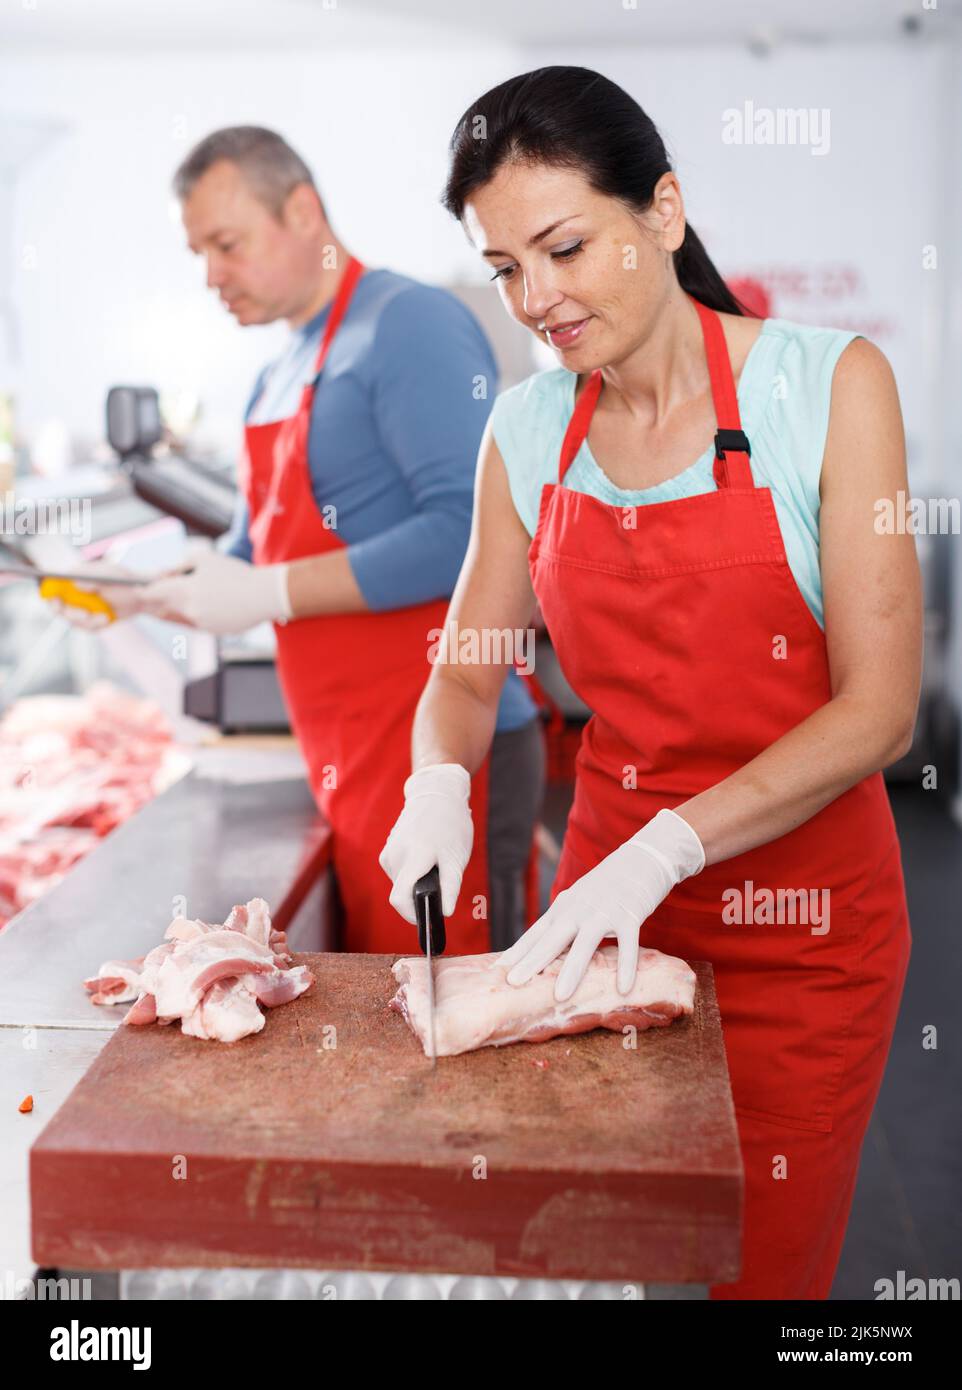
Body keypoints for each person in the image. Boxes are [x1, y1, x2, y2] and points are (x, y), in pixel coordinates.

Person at [379, 67, 920, 1299]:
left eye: (563, 248)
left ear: (662, 212)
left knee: (758, 1270)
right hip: (597, 923)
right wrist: (434, 783)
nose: (537, 299)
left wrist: (670, 846)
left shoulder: (826, 388)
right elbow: (467, 676)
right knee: (599, 1257)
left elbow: (878, 709)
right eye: (507, 266)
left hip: (804, 935)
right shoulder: (525, 431)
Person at [65, 126, 543, 954]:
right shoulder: (270, 374)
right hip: (353, 763)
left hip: (448, 755)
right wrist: (144, 592)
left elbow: (465, 532)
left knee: (468, 1031)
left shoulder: (408, 324)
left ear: (303, 211)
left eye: (227, 244)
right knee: (393, 1023)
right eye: (198, 253)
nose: (211, 276)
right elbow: (254, 554)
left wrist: (270, 593)